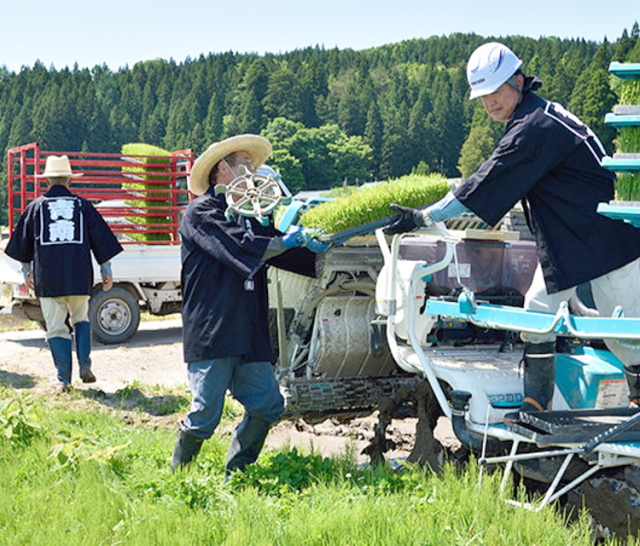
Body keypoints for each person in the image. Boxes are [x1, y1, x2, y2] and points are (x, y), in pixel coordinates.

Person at [384, 42, 640, 418]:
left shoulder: (535, 126)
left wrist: (423, 217)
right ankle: (537, 405)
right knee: (537, 316)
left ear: (519, 81)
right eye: (483, 97)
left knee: (625, 332)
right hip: (568, 241)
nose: (490, 103)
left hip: (607, 240)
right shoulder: (536, 117)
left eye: (496, 92)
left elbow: (485, 181)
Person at [171, 134, 328, 474]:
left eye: (252, 165)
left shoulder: (252, 216)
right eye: (244, 163)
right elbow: (246, 246)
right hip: (214, 326)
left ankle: (236, 472)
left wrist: (308, 244)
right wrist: (284, 241)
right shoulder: (202, 213)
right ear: (222, 169)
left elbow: (271, 245)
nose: (252, 170)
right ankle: (178, 478)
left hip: (249, 327)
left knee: (268, 404)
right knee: (204, 414)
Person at [5, 155, 123, 391]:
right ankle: (85, 364)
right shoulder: (83, 205)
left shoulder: (36, 207)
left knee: (56, 327)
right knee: (81, 318)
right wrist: (106, 269)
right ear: (69, 179)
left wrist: (26, 272)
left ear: (47, 180)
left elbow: (24, 244)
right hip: (79, 276)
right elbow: (100, 238)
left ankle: (63, 379)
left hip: (48, 279)